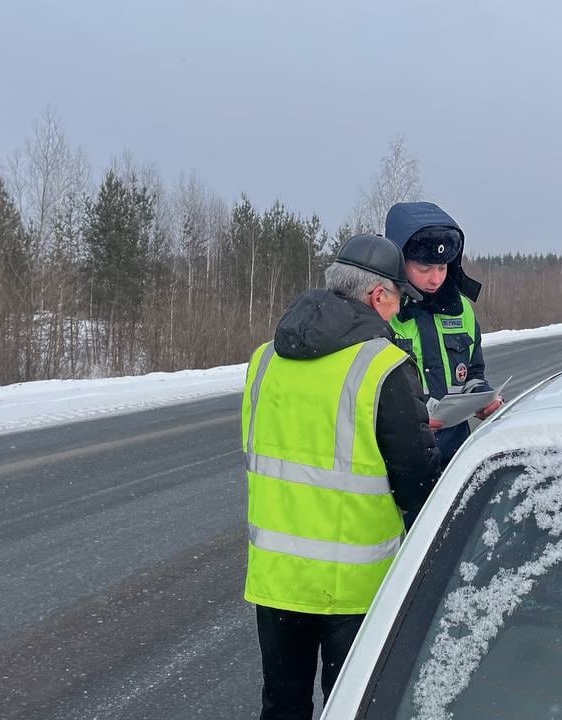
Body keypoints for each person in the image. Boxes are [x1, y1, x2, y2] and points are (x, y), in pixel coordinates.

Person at [240, 234, 441, 720]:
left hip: (276, 578)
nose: (396, 313)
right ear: (378, 296)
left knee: (282, 704)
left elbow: (272, 451)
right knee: (352, 707)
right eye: (397, 301)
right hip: (355, 586)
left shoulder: (264, 359)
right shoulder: (384, 365)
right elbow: (416, 481)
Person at [384, 201, 502, 467]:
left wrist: (483, 398)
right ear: (399, 263)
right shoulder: (381, 312)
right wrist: (412, 420)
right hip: (400, 461)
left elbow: (472, 373)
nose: (436, 279)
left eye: (442, 267)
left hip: (455, 457)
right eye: (425, 269)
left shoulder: (462, 312)